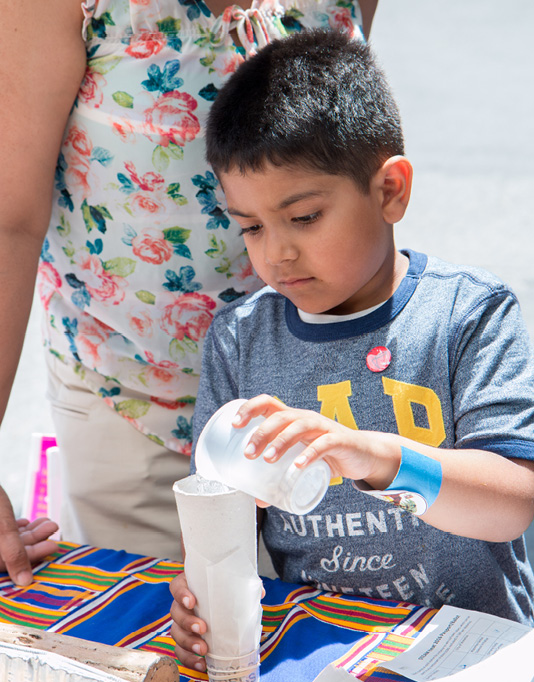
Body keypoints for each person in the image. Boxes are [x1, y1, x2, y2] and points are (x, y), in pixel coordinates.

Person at [169, 28, 534, 671]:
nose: (276, 252)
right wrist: (199, 594)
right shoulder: (240, 340)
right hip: (322, 651)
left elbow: (513, 503)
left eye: (304, 217)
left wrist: (371, 454)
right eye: (251, 226)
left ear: (390, 190)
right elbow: (219, 516)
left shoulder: (467, 315)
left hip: (470, 654)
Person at [0, 1, 378, 586]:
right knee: (153, 644)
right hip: (133, 400)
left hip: (323, 399)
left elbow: (349, 151)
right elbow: (9, 221)